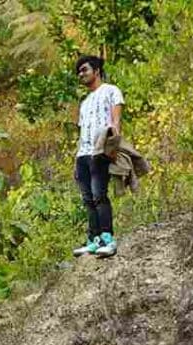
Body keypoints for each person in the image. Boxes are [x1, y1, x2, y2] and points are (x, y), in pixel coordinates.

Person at [72, 54, 123, 259]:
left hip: (100, 150)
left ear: (96, 70)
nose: (81, 74)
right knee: (87, 199)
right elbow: (82, 130)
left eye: (84, 69)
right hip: (83, 153)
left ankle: (108, 238)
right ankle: (94, 240)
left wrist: (113, 147)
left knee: (99, 195)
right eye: (79, 72)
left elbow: (116, 121)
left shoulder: (111, 91)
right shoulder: (84, 103)